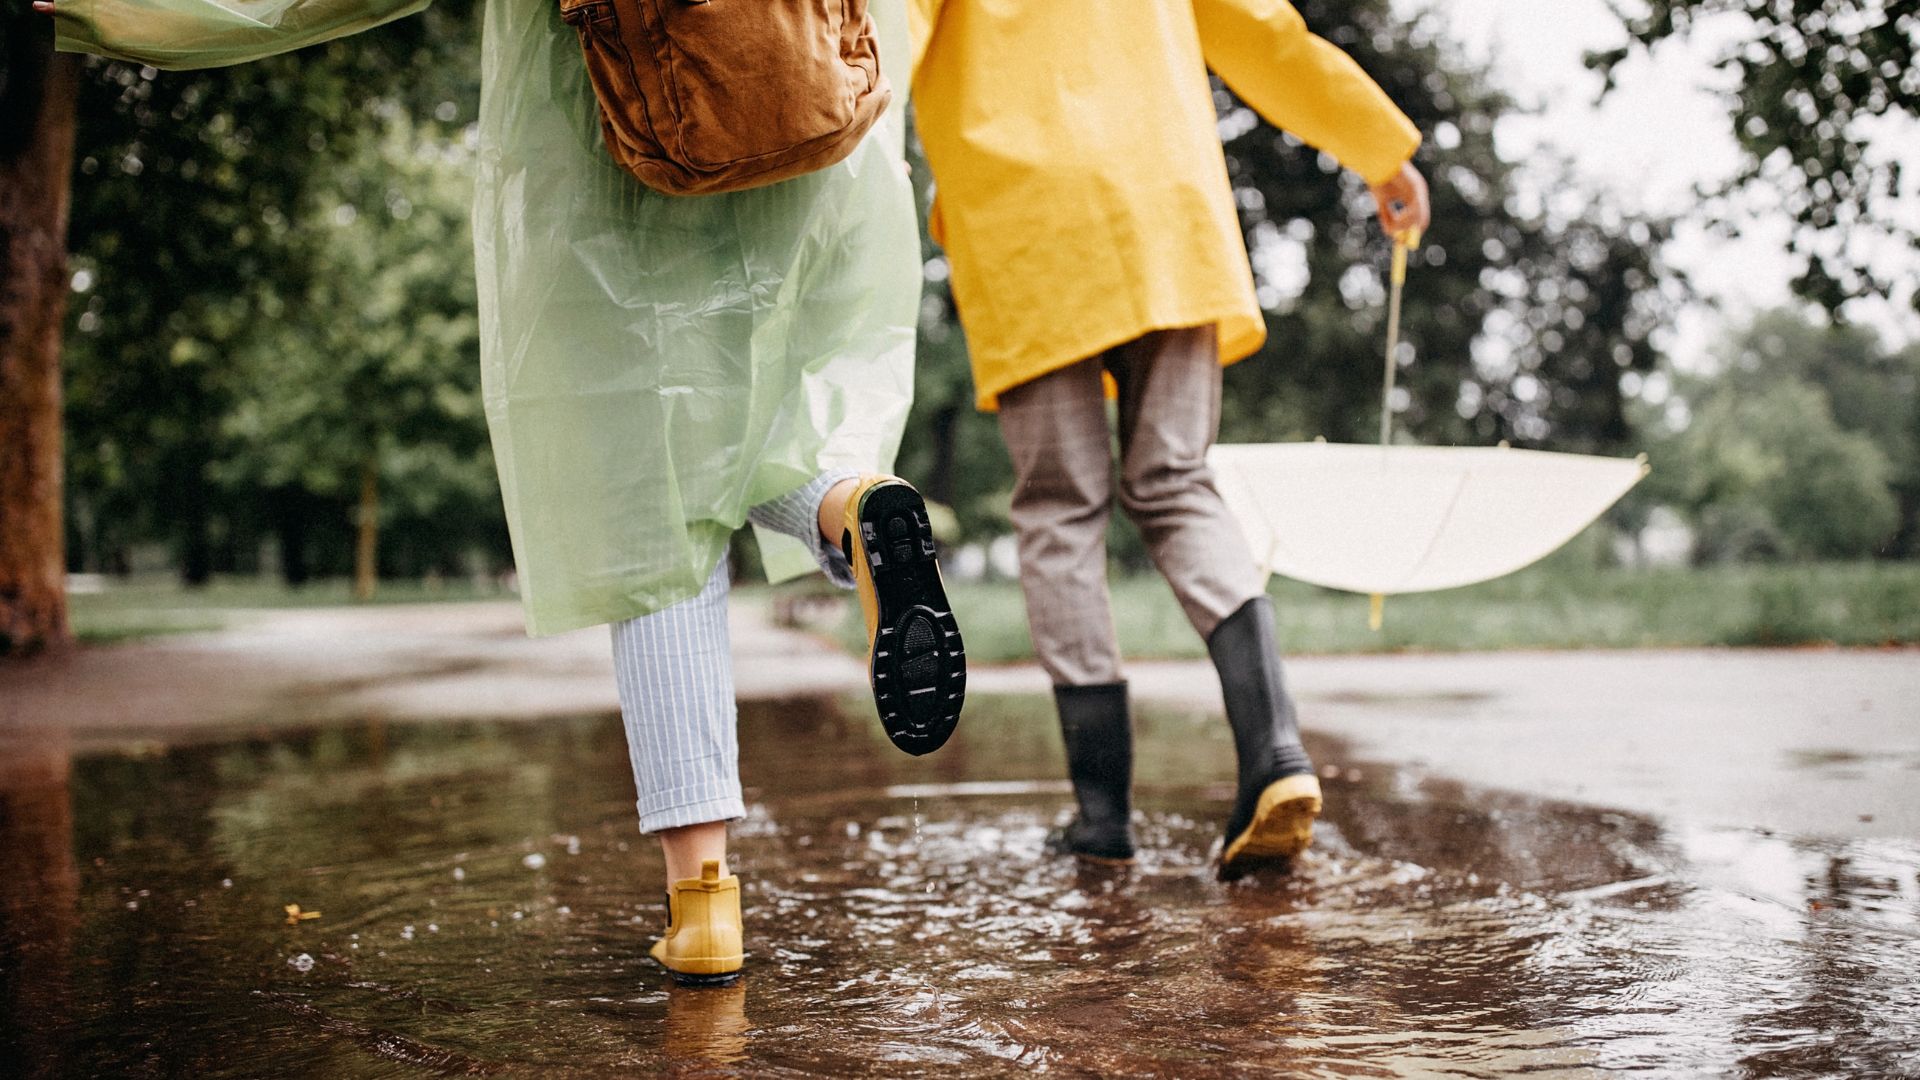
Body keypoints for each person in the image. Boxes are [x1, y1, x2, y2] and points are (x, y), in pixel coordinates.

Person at [39, 0, 964, 984]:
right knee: (780, 416)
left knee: (651, 513)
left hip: (621, 141)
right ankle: (843, 505)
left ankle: (705, 911)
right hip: (819, 123)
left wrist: (123, 12)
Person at [907, 0, 1430, 875]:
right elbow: (1264, 33)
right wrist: (1382, 150)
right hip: (1166, 210)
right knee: (1177, 481)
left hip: (1025, 222)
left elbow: (875, 43)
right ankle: (1275, 753)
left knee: (1061, 507)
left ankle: (1102, 815)